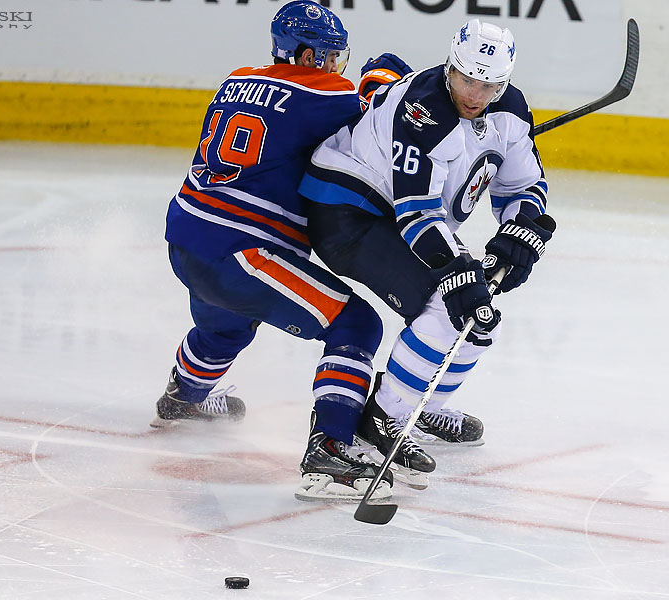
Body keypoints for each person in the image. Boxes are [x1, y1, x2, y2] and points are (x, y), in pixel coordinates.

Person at [153, 1, 402, 502]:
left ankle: (185, 394)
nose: (337, 67)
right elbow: (384, 113)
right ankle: (331, 446)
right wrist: (390, 75)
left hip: (187, 236)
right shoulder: (323, 91)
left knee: (223, 326)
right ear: (305, 54)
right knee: (356, 325)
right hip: (242, 251)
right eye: (330, 57)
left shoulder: (235, 80)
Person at [299, 19, 555, 488]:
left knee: (477, 311)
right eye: (467, 80)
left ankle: (423, 405)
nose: (477, 95)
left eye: (491, 84)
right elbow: (416, 213)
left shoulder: (511, 110)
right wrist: (457, 267)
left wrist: (521, 229)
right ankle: (378, 418)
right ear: (450, 67)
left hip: (396, 216)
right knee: (451, 299)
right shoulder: (423, 107)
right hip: (347, 210)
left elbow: (525, 185)